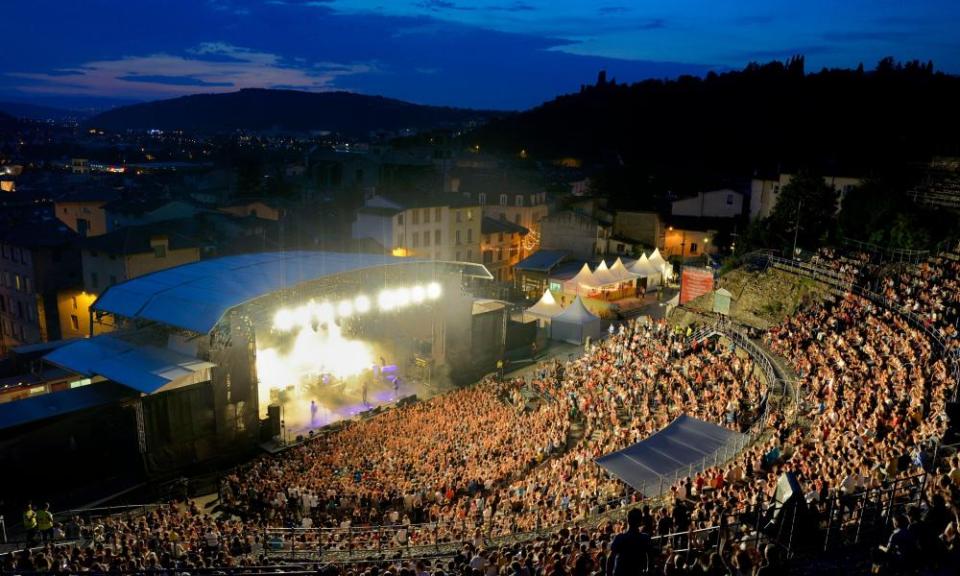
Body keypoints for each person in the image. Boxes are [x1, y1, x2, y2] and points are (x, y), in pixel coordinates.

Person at [607, 508, 650, 576]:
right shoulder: (645, 538)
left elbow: (610, 558)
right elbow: (650, 556)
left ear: (628, 520)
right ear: (641, 521)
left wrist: (609, 574)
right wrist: (648, 570)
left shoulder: (620, 538)